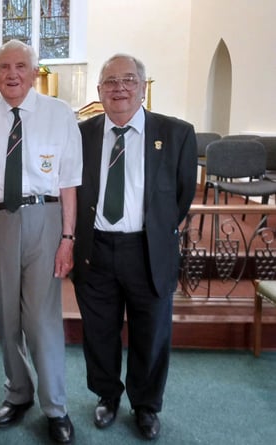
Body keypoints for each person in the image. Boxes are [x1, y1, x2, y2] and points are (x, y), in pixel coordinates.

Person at [72, 54, 197, 441]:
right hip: (96, 249)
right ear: (99, 91)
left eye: (128, 80)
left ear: (143, 87)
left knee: (151, 332)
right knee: (100, 331)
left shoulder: (177, 134)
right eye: (110, 81)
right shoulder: (81, 134)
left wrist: (155, 232)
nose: (119, 88)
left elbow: (182, 195)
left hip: (147, 250)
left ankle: (146, 405)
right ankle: (107, 395)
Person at [0, 39, 80, 444]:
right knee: (5, 318)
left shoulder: (60, 114)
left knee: (42, 320)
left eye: (20, 66)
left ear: (33, 72)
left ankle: (55, 407)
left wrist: (68, 238)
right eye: (4, 67)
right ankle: (18, 392)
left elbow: (67, 185)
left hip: (45, 219)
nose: (12, 74)